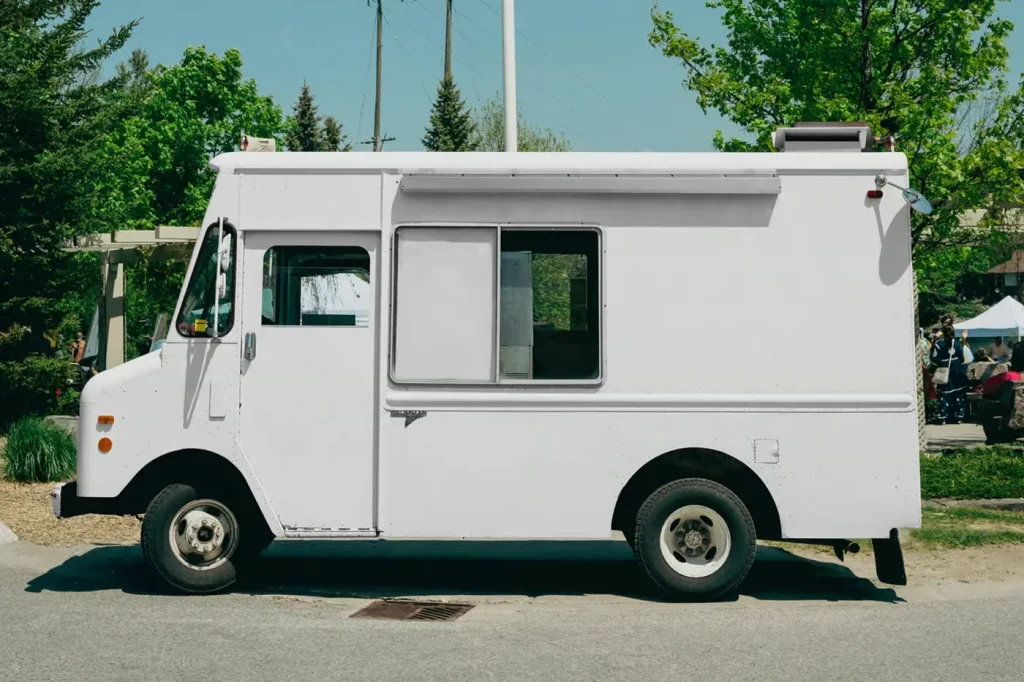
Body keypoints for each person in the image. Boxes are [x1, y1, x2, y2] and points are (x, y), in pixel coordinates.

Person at [931, 326, 968, 424]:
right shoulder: (957, 344)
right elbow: (962, 359)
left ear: (943, 333)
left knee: (943, 394)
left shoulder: (939, 344)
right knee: (958, 393)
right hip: (957, 370)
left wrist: (941, 362)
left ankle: (943, 417)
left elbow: (934, 357)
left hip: (944, 370)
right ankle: (959, 417)